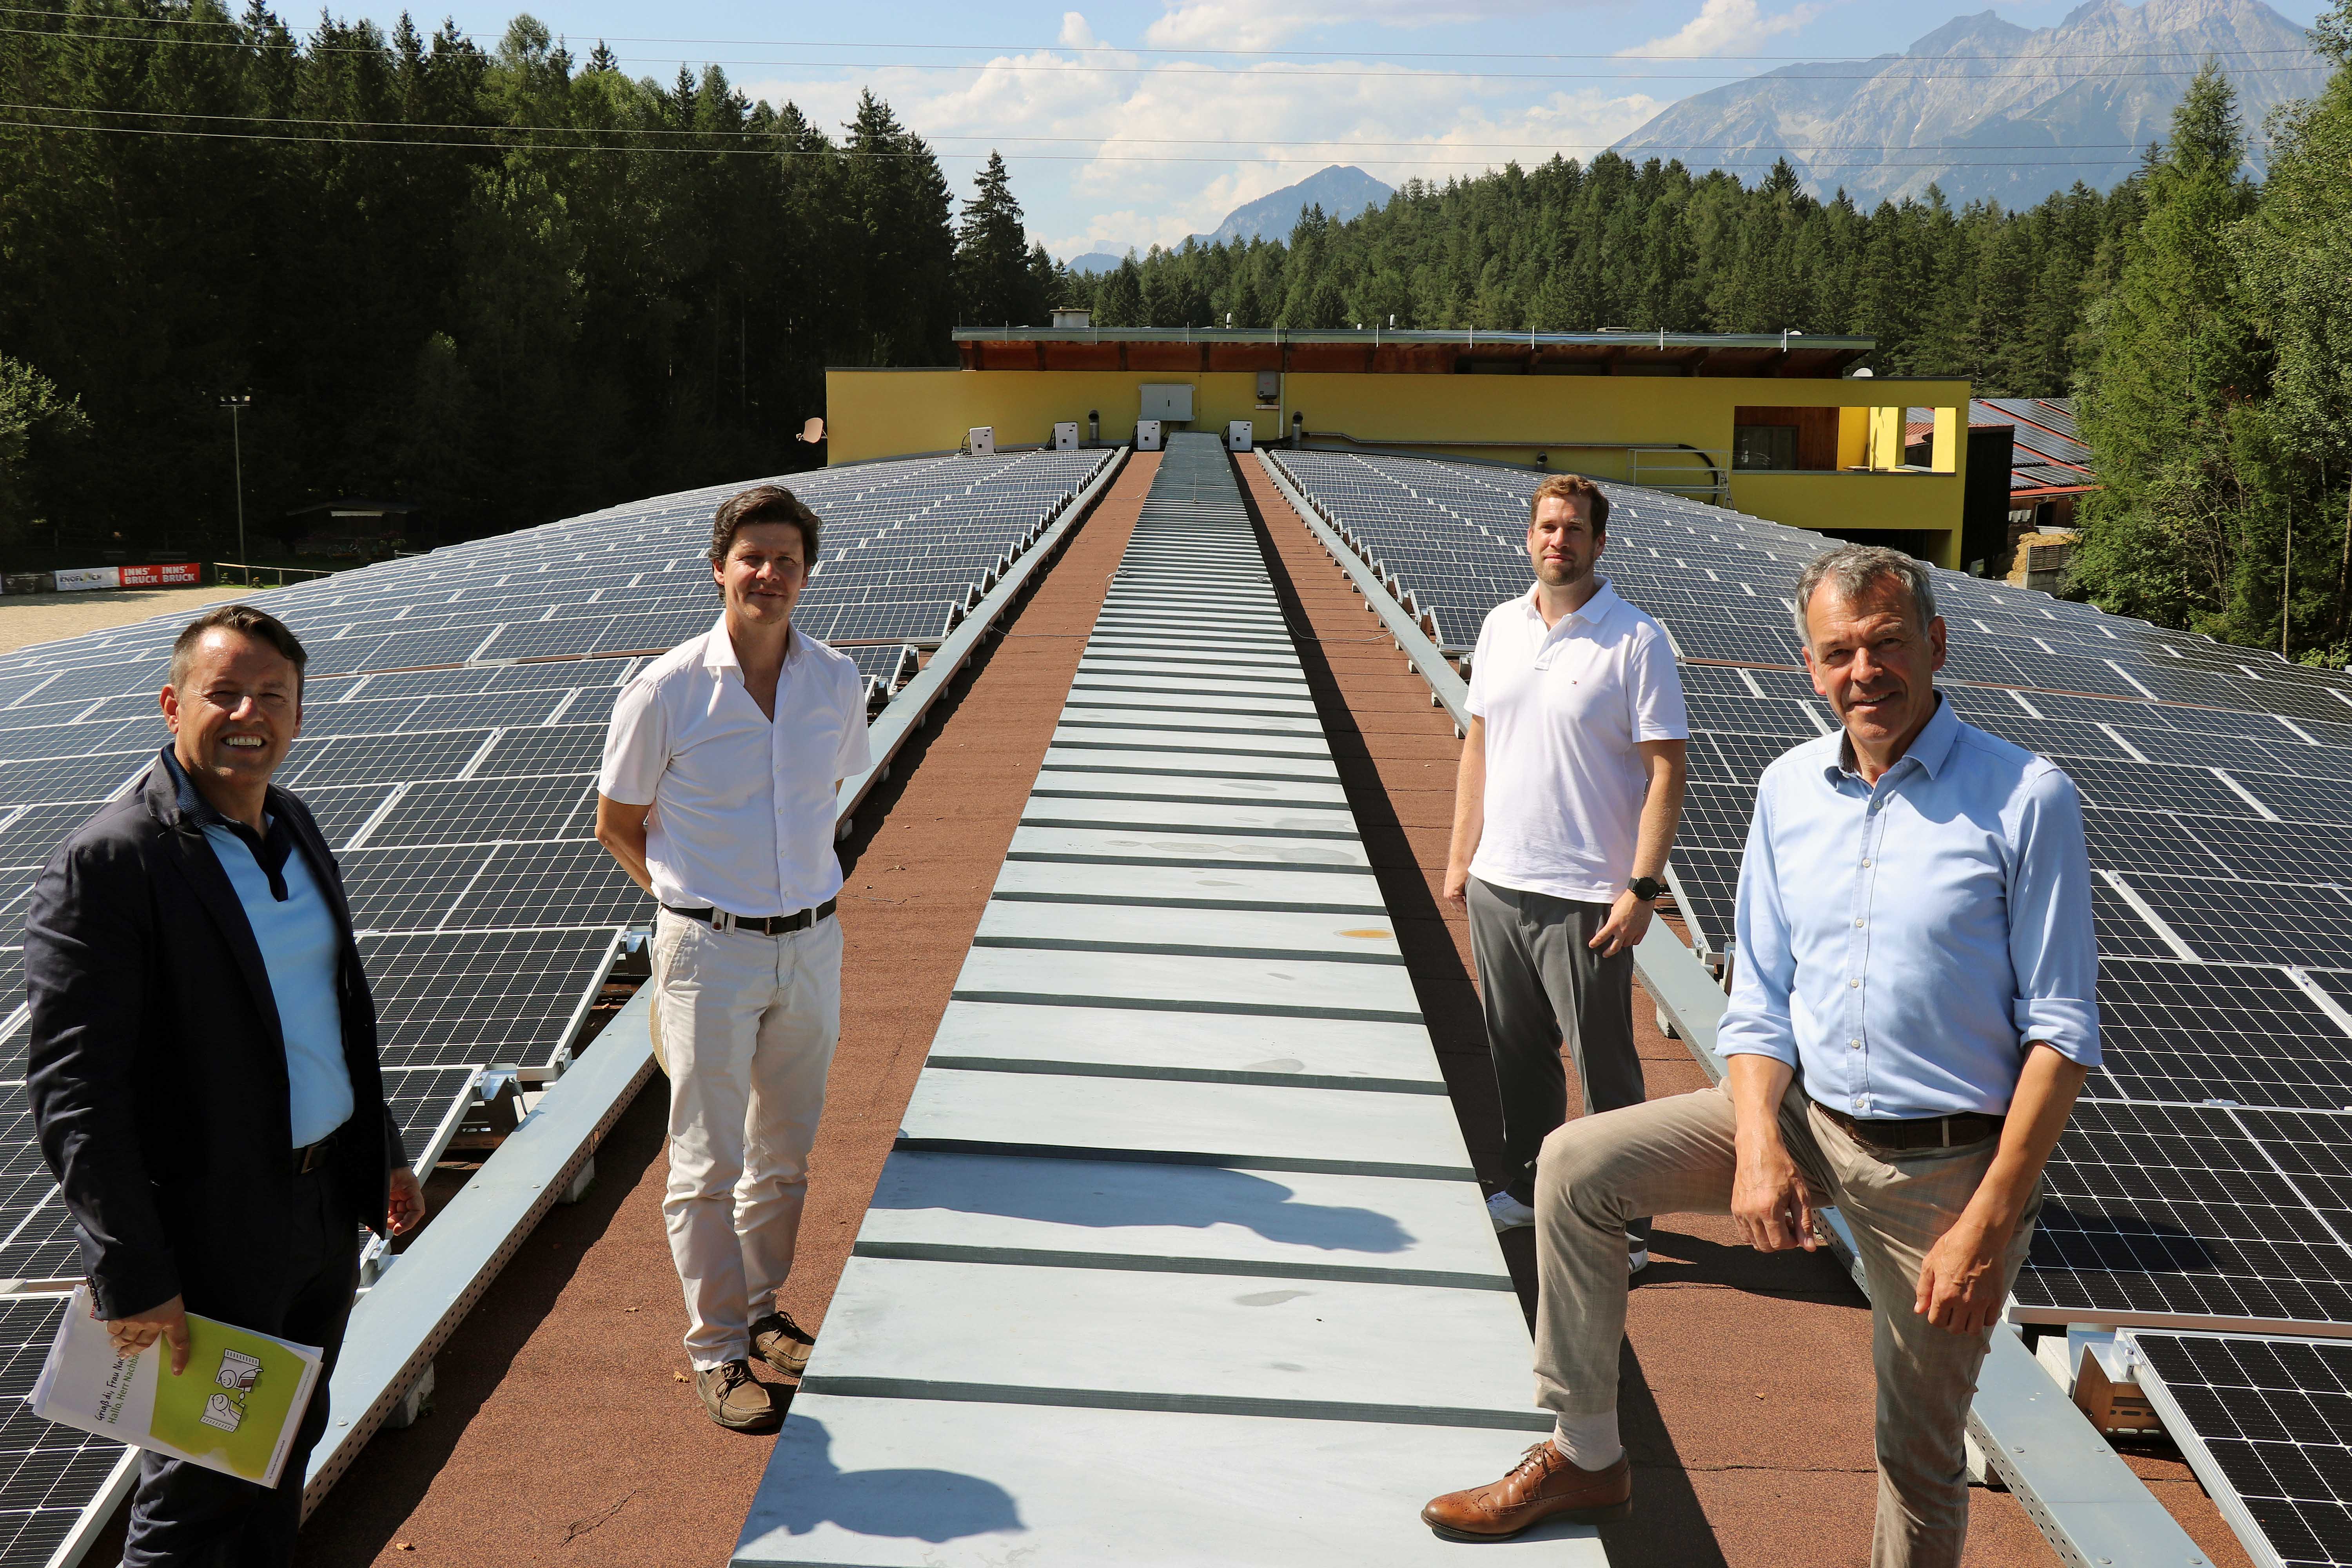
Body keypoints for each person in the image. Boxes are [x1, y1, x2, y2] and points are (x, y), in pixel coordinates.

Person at [1421, 544, 2099, 1568]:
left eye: (1887, 644)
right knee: (1574, 1168)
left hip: (1946, 1173)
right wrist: (1755, 1143)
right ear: (1810, 667)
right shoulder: (1788, 792)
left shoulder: (2025, 799)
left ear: (1938, 645)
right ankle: (1588, 1449)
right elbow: (1762, 1003)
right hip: (1804, 1117)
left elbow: (2063, 1034)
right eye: (1839, 652)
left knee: (1916, 1455)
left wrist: (1987, 1224)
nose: (1864, 671)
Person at [27, 604, 427, 1567]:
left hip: (319, 1210)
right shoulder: (113, 859)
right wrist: (137, 1271)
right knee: (197, 1490)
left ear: (299, 714)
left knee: (280, 1456)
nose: (250, 712)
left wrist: (386, 1151)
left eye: (273, 696)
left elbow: (329, 1012)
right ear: (174, 704)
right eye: (225, 692)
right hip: (211, 1233)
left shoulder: (291, 819)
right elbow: (76, 1090)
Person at [595, 483, 871, 1433]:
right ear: (720, 568)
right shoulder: (666, 689)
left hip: (811, 943)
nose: (770, 573)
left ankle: (759, 1309)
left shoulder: (835, 679)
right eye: (752, 556)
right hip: (709, 953)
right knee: (706, 1159)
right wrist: (687, 908)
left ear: (807, 573)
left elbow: (821, 791)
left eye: (788, 559)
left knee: (784, 1153)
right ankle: (717, 1349)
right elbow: (617, 823)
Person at [1442, 472, 1688, 1267]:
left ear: (1598, 543)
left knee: (1604, 1064)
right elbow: (1479, 747)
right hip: (1500, 880)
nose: (1560, 540)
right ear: (1530, 536)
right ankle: (1529, 1184)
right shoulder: (1499, 627)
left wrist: (1643, 887)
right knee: (1515, 1050)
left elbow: (1666, 771)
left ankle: (1629, 1223)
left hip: (1588, 892)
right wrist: (1461, 859)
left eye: (1575, 529)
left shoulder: (1636, 639)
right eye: (1549, 526)